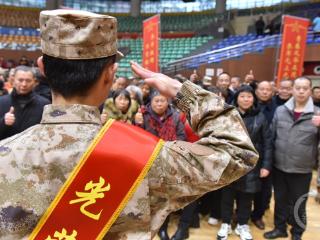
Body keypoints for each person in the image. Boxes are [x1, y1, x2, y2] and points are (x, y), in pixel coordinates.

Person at [0, 9, 258, 239]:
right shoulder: (145, 157)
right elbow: (237, 151)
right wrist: (184, 93)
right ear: (110, 74)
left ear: (42, 67)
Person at [264, 77, 320, 240]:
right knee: (280, 200)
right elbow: (271, 137)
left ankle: (297, 233)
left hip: (302, 169)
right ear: (292, 90)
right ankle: (279, 228)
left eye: (305, 88)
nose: (301, 91)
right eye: (298, 88)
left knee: (299, 204)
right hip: (279, 166)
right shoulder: (281, 110)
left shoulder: (317, 114)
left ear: (310, 90)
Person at [217, 86, 272, 240]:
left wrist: (266, 165)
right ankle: (226, 223)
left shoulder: (260, 117)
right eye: (242, 96)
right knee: (227, 196)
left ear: (253, 99)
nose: (246, 99)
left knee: (246, 198)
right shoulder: (228, 115)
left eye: (249, 96)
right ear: (237, 98)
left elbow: (267, 143)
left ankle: (242, 224)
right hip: (230, 163)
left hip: (251, 165)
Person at [0, 65, 50, 140]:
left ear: (35, 82)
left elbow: (48, 132)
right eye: (20, 80)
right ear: (13, 81)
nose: (24, 84)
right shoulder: (1, 102)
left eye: (28, 81)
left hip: (33, 149)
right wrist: (3, 122)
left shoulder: (44, 104)